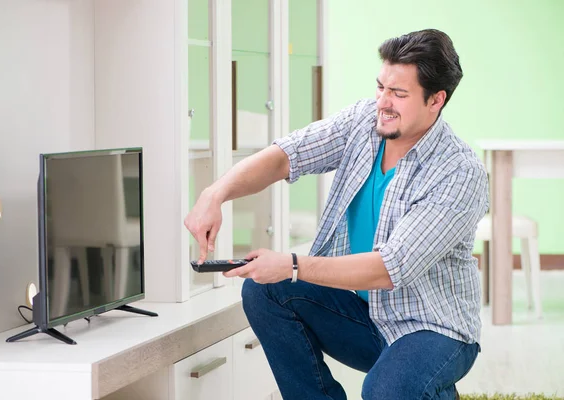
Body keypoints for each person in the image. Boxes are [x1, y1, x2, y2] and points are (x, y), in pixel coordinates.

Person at [185, 28, 488, 400]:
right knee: (266, 291)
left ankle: (422, 384)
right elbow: (287, 155)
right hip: (362, 314)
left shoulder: (458, 171)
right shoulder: (364, 122)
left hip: (431, 326)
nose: (383, 102)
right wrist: (215, 194)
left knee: (385, 391)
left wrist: (293, 264)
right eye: (381, 87)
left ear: (435, 101)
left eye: (398, 94)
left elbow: (391, 267)